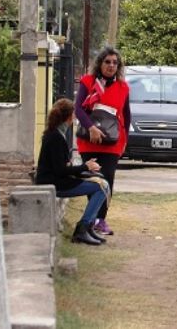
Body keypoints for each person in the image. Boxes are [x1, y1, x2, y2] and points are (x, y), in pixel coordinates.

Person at [35, 98, 109, 245]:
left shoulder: (55, 133)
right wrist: (85, 167)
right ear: (70, 117)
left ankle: (88, 228)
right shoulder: (55, 137)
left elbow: (62, 166)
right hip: (55, 183)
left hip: (58, 179)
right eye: (74, 114)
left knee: (102, 183)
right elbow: (61, 170)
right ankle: (82, 230)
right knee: (101, 187)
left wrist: (85, 168)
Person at [75, 47, 130, 236]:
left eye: (115, 63)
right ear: (100, 63)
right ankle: (90, 219)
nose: (111, 65)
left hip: (112, 142)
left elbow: (127, 116)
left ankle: (101, 220)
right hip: (89, 140)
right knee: (93, 180)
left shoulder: (123, 87)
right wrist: (91, 127)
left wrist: (125, 141)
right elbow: (78, 109)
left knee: (107, 181)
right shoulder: (88, 82)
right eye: (107, 61)